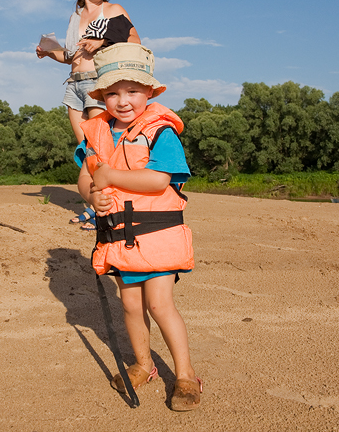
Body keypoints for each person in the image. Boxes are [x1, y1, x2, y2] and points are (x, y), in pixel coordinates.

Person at [75, 42, 202, 411]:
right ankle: (144, 366)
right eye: (112, 93)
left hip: (157, 238)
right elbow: (86, 177)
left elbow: (160, 180)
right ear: (101, 96)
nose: (123, 100)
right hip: (119, 239)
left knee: (160, 305)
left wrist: (112, 175)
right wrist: (90, 196)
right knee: (131, 305)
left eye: (132, 90)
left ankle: (186, 375)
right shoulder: (97, 133)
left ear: (150, 91)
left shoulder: (160, 133)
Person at [36, 0, 140, 228]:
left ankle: (107, 210)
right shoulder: (75, 18)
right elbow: (71, 56)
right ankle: (95, 204)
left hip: (98, 84)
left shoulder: (113, 10)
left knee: (101, 149)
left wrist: (103, 41)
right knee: (87, 152)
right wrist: (49, 52)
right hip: (74, 85)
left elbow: (134, 41)